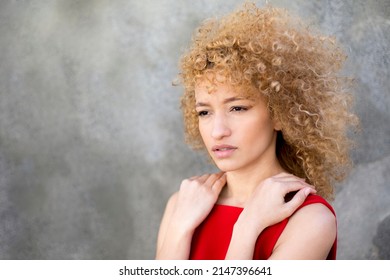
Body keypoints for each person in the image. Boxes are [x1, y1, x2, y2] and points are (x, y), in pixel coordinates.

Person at [156, 2, 358, 260]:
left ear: (280, 114)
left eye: (238, 108)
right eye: (204, 112)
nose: (217, 131)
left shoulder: (310, 219)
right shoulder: (182, 204)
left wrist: (247, 227)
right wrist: (179, 229)